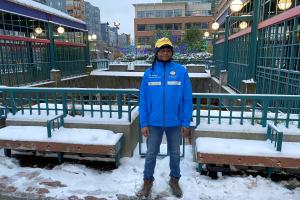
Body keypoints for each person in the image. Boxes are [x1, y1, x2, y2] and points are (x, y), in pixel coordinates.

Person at [138, 37, 193, 198]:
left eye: (168, 50)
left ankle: (174, 180)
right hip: (153, 123)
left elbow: (187, 99)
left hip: (175, 122)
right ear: (156, 52)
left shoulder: (181, 71)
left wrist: (185, 122)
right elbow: (143, 99)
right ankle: (147, 181)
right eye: (162, 50)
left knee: (175, 154)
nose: (165, 52)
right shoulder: (149, 73)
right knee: (150, 154)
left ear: (172, 52)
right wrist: (144, 123)